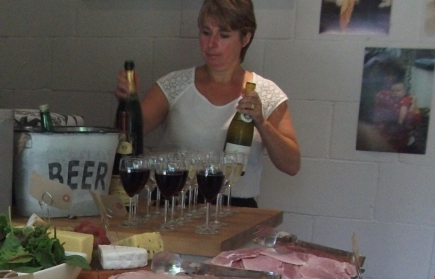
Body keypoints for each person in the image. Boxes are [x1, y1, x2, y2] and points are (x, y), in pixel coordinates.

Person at [114, 0, 300, 207]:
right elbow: (125, 139)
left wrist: (262, 123)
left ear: (245, 37)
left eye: (224, 35)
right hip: (173, 207)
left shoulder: (266, 93)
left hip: (237, 210)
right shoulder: (174, 85)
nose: (211, 44)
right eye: (206, 32)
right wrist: (127, 102)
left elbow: (291, 165)